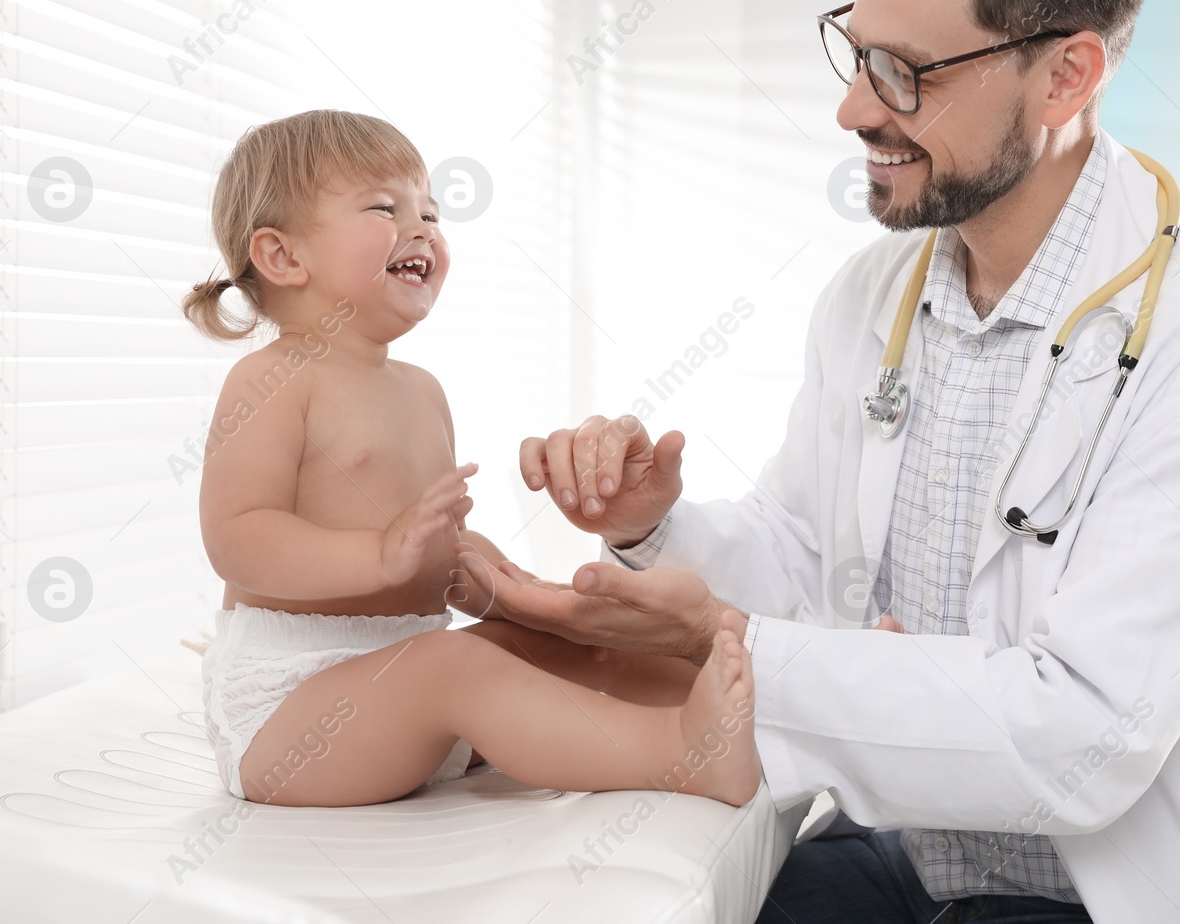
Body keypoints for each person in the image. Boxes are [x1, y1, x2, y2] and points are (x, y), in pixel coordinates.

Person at [452, 0, 1180, 921]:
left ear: (1064, 77)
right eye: (855, 51)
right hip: (909, 854)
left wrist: (733, 644)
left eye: (903, 71)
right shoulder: (873, 295)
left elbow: (1084, 738)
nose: (849, 108)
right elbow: (805, 559)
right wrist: (656, 530)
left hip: (1119, 889)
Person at [181, 109, 758, 810]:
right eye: (385, 208)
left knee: (545, 644)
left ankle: (744, 710)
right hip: (290, 708)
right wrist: (379, 556)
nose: (422, 227)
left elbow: (426, 553)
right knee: (454, 665)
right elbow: (237, 537)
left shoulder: (423, 391)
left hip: (399, 684)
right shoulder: (273, 379)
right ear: (283, 257)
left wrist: (476, 570)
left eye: (429, 210)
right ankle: (680, 754)